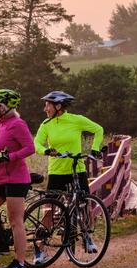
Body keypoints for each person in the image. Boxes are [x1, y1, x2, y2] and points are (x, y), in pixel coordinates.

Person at [34, 90, 105, 250]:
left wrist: (94, 149)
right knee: (49, 208)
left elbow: (98, 129)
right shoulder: (46, 125)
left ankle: (88, 237)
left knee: (84, 203)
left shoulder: (76, 120)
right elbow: (36, 143)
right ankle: (39, 248)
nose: (45, 109)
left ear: (58, 106)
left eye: (47, 105)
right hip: (56, 171)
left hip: (76, 169)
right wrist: (46, 151)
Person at [0, 88, 36, 268]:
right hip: (2, 177)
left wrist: (9, 157)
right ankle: (1, 242)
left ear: (5, 106)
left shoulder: (17, 124)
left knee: (16, 221)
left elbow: (30, 148)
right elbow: (2, 148)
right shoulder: (2, 124)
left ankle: (20, 263)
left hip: (16, 179)